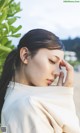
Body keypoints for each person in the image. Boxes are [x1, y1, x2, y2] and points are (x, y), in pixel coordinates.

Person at [0, 29, 80, 133]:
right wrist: (64, 100)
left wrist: (59, 98)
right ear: (25, 55)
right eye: (52, 61)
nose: (57, 72)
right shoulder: (30, 106)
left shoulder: (12, 97)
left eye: (59, 66)